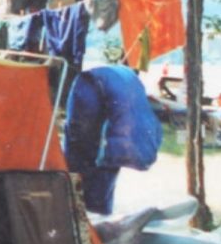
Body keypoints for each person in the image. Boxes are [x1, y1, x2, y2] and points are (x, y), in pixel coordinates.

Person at [64, 64, 162, 215]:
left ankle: (83, 213)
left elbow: (76, 136)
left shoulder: (91, 81)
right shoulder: (129, 80)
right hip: (116, 95)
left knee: (81, 155)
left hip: (94, 86)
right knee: (106, 159)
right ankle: (98, 212)